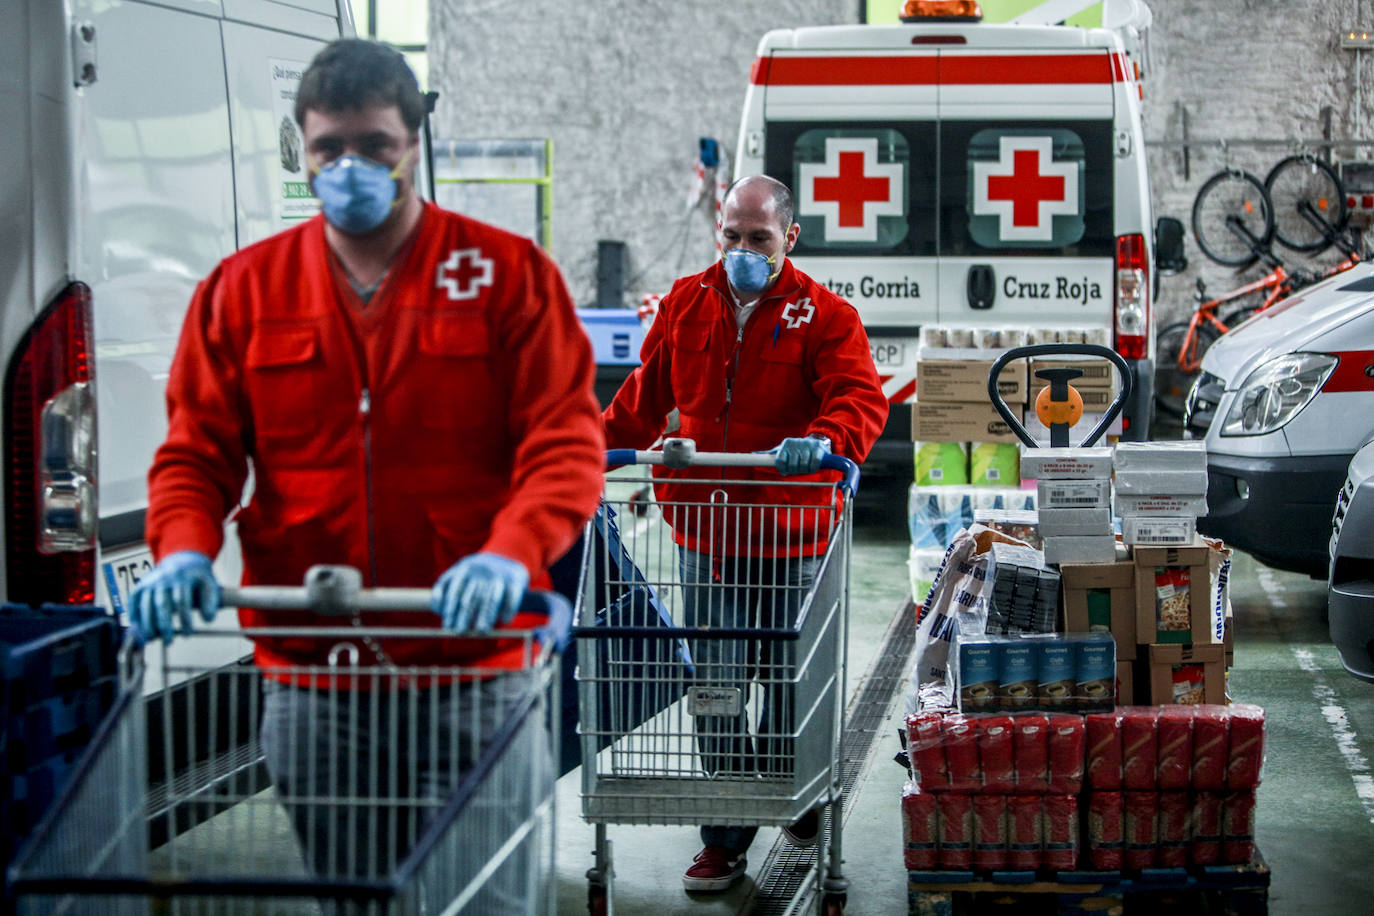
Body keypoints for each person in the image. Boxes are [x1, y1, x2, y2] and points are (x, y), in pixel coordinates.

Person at [129, 38, 604, 896]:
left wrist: (512, 550)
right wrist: (182, 549)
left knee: (485, 898)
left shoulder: (505, 278)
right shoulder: (244, 291)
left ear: (414, 141)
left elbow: (563, 444)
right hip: (316, 676)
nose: (350, 167)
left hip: (474, 670)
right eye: (328, 149)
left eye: (374, 146)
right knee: (356, 896)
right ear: (302, 149)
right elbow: (196, 453)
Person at [602, 174, 888, 894]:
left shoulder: (825, 317)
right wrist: (585, 450)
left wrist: (824, 438)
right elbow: (645, 396)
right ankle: (727, 832)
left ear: (788, 239)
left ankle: (788, 793)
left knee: (793, 686)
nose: (741, 250)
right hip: (707, 535)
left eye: (757, 238)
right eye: (731, 235)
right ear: (718, 231)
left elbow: (859, 398)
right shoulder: (686, 303)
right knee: (718, 687)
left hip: (791, 538)